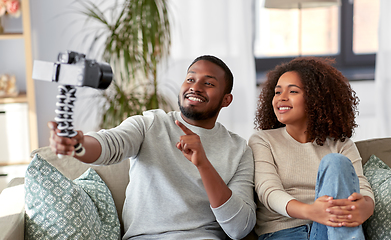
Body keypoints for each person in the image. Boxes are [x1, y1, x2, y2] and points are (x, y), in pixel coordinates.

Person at [49, 55, 256, 240]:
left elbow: (239, 228)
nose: (196, 87)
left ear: (226, 100)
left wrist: (204, 165)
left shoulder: (239, 150)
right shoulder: (150, 124)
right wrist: (78, 145)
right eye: (190, 79)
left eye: (208, 83)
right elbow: (110, 144)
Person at [248, 57, 374, 240]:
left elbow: (360, 185)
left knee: (336, 162)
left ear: (316, 98)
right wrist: (311, 211)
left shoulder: (341, 144)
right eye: (277, 92)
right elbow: (268, 191)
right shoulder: (262, 140)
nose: (281, 97)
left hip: (330, 230)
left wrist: (367, 207)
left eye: (293, 91)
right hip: (283, 233)